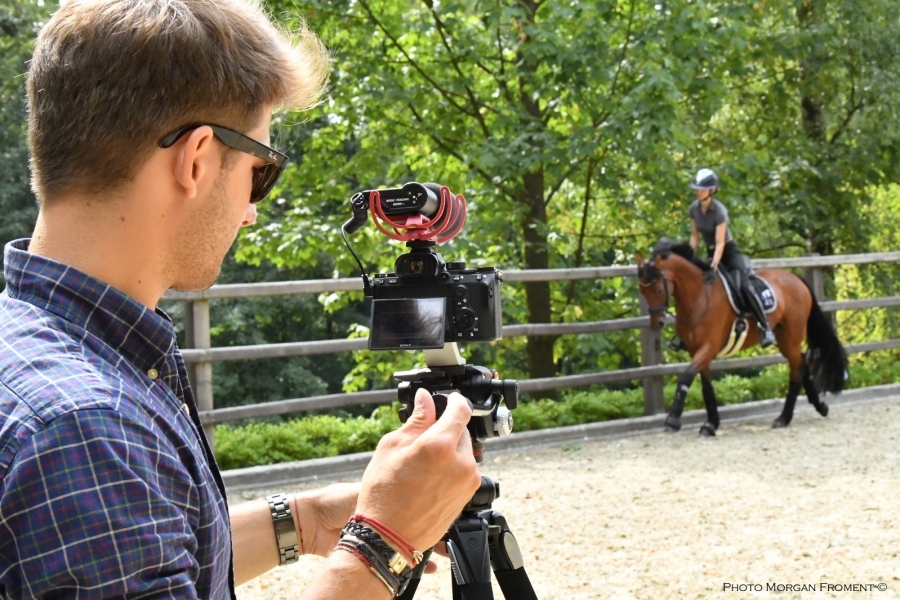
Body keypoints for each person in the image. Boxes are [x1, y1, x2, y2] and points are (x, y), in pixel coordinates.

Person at [0, 1, 481, 598]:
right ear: (197, 159)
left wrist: (304, 522)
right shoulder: (89, 428)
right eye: (262, 171)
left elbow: (138, 550)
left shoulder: (38, 347)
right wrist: (382, 543)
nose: (252, 212)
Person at [686, 168, 777, 348]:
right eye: (697, 188)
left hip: (728, 252)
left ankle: (765, 327)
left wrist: (713, 267)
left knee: (744, 286)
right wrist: (690, 256)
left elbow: (720, 243)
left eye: (702, 189)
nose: (698, 192)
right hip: (711, 253)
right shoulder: (694, 209)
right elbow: (695, 236)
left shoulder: (719, 211)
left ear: (712, 190)